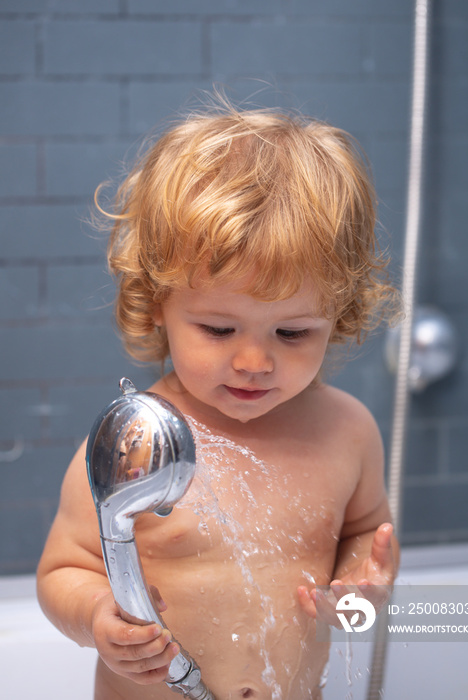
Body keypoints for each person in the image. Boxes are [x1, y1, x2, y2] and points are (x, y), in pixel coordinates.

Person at [37, 103, 400, 700]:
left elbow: (365, 534)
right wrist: (98, 616)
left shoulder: (347, 432)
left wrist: (360, 591)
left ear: (340, 315)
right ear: (158, 303)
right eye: (219, 329)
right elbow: (63, 571)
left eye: (292, 333)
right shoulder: (133, 445)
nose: (254, 362)